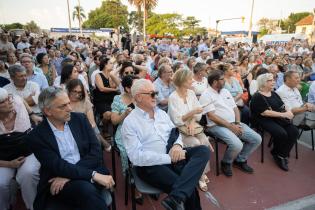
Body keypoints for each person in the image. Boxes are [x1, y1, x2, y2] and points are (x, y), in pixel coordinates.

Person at [122, 79, 210, 210]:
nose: (156, 96)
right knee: (189, 190)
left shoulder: (162, 114)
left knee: (203, 150)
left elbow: (175, 133)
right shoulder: (130, 122)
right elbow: (136, 157)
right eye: (152, 93)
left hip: (173, 155)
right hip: (151, 165)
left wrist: (178, 146)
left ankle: (175, 197)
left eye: (156, 93)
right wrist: (169, 158)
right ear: (139, 97)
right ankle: (178, 196)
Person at [26, 87, 115, 210]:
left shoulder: (80, 119)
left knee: (85, 190)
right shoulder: (37, 136)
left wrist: (69, 176)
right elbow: (58, 166)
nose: (70, 108)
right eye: (62, 106)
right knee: (85, 189)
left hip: (75, 173)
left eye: (68, 103)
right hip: (58, 180)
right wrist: (93, 175)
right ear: (47, 111)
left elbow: (96, 153)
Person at [200, 70, 261, 177]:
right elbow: (212, 117)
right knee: (237, 144)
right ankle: (226, 162)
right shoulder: (206, 94)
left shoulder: (225, 91)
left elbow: (235, 108)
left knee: (256, 139)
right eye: (222, 79)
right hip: (215, 126)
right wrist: (231, 127)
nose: (225, 81)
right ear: (215, 82)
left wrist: (237, 123)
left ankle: (240, 160)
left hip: (233, 123)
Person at [168, 69, 213, 192]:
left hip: (193, 126)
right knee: (196, 144)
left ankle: (201, 173)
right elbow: (177, 120)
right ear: (182, 81)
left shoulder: (191, 93)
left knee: (204, 141)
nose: (192, 80)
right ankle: (198, 176)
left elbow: (198, 114)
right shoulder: (173, 97)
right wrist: (192, 113)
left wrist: (192, 122)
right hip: (179, 130)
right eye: (189, 79)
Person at [0, 88, 40, 210]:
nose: (9, 101)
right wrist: (9, 164)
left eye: (8, 97)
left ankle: (32, 207)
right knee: (1, 183)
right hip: (4, 158)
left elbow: (21, 99)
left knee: (28, 174)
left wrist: (32, 114)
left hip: (28, 152)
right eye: (3, 101)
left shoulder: (16, 101)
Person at [250, 73, 299, 171]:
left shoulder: (274, 93)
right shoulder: (257, 96)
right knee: (281, 133)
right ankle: (276, 153)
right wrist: (284, 115)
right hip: (264, 119)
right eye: (270, 80)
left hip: (277, 117)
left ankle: (281, 155)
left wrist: (288, 111)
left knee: (294, 131)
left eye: (273, 80)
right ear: (263, 83)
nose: (273, 82)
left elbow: (282, 106)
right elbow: (265, 113)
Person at [66, 79, 111, 152]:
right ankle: (103, 142)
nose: (77, 95)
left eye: (79, 92)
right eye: (74, 91)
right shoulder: (64, 102)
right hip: (68, 129)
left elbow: (92, 123)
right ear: (69, 90)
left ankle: (99, 145)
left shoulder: (85, 102)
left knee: (92, 130)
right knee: (94, 136)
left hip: (86, 127)